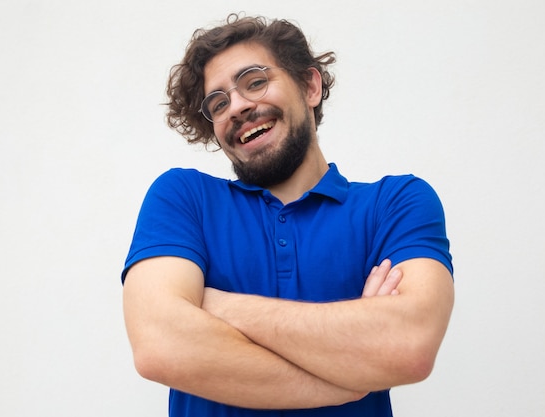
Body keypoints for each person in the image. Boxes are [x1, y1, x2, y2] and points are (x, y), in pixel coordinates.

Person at [121, 13, 454, 417]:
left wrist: (218, 306)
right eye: (219, 102)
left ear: (310, 86)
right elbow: (161, 346)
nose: (238, 106)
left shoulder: (396, 203)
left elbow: (407, 346)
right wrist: (346, 379)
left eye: (255, 82)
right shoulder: (183, 198)